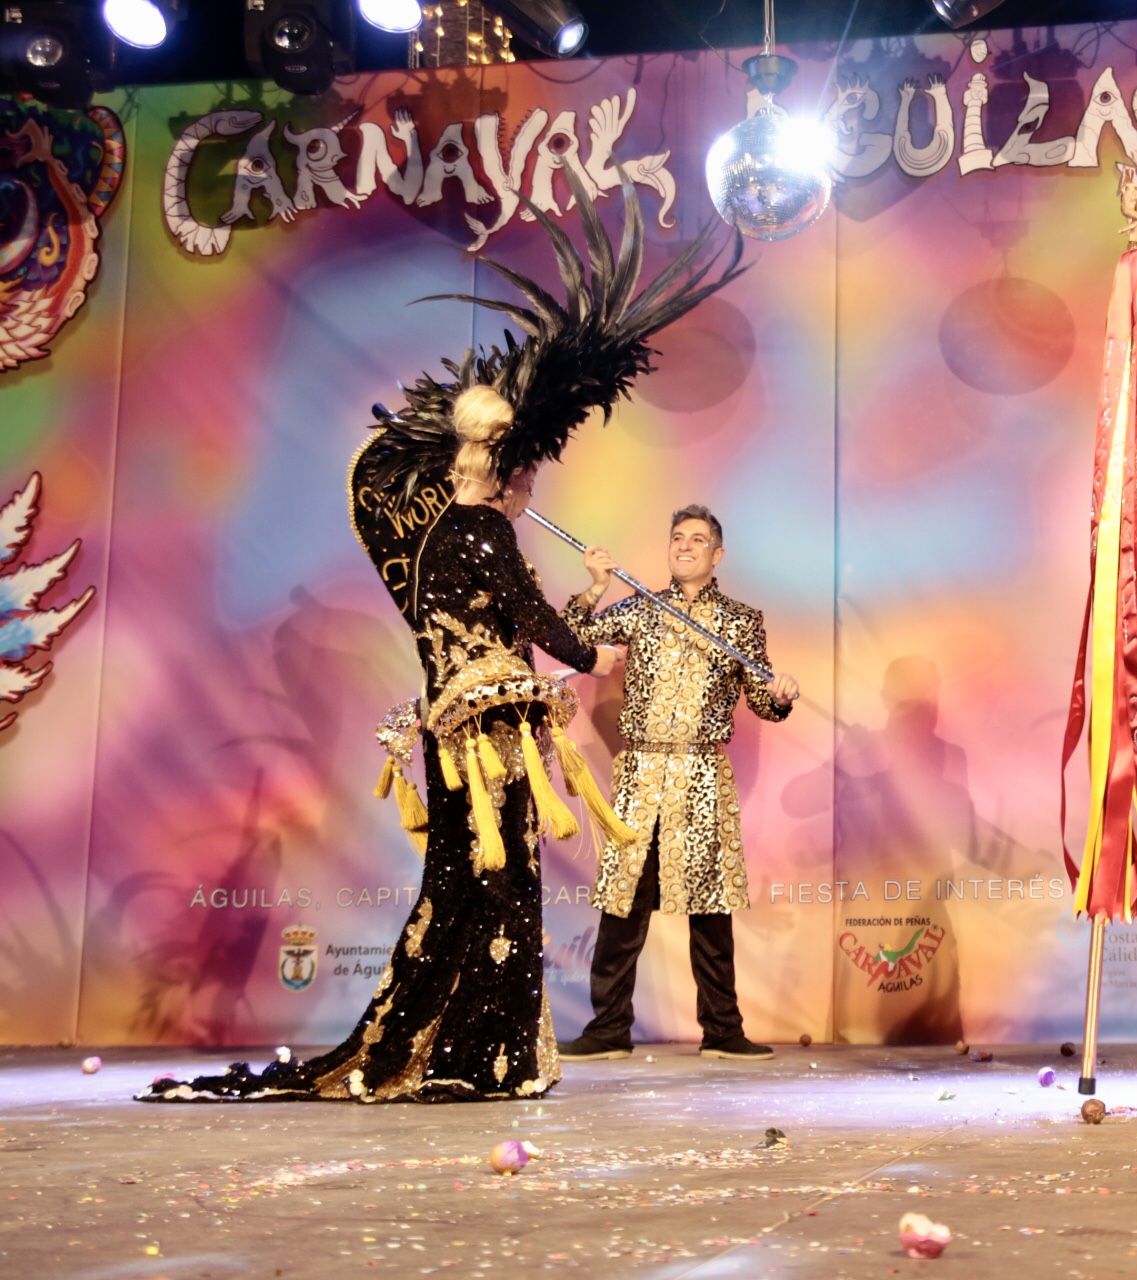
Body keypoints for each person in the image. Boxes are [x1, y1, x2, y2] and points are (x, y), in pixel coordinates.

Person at [140, 176, 742, 1102]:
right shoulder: (489, 531)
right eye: (530, 475)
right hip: (490, 747)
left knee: (460, 885)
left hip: (454, 738)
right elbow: (533, 628)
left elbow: (503, 623)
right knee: (497, 888)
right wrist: (590, 644)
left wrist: (572, 616)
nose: (533, 492)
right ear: (506, 474)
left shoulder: (432, 541)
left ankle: (442, 1043)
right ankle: (480, 1055)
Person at [557, 504, 798, 1061]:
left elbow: (762, 699)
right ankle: (608, 1028)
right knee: (623, 903)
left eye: (697, 539)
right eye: (676, 538)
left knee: (710, 907)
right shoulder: (640, 608)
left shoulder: (741, 620)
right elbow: (572, 640)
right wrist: (594, 587)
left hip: (701, 772)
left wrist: (779, 695)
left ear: (717, 555)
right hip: (641, 771)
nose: (684, 546)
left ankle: (722, 1029)